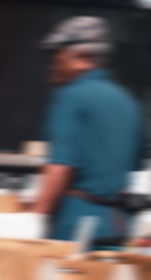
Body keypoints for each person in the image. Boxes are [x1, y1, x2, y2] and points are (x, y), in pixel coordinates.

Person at [30, 16, 145, 245]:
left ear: (78, 56)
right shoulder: (128, 101)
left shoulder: (70, 96)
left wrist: (33, 219)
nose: (52, 62)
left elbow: (60, 168)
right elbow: (136, 166)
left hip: (75, 229)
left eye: (57, 54)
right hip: (118, 227)